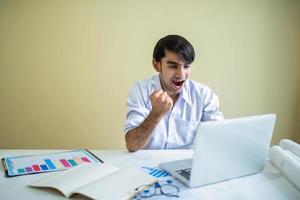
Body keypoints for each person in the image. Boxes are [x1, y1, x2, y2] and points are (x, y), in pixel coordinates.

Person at [124, 35, 223, 152]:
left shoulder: (204, 95)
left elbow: (218, 139)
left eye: (186, 66)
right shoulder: (141, 90)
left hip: (186, 164)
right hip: (147, 165)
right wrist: (155, 114)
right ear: (157, 65)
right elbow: (132, 145)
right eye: (173, 66)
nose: (181, 74)